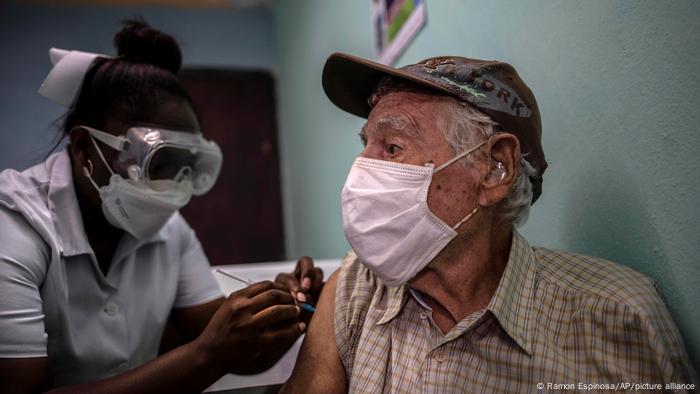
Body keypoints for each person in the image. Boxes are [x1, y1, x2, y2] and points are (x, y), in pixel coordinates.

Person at [282, 53, 698, 393]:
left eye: (392, 147)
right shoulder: (355, 288)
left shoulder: (618, 322)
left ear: (495, 167)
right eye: (365, 143)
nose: (361, 169)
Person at [0, 20, 322, 393]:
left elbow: (238, 353)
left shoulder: (169, 229)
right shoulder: (14, 227)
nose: (171, 186)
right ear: (84, 148)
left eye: (187, 165)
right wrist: (207, 354)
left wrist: (280, 316)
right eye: (157, 163)